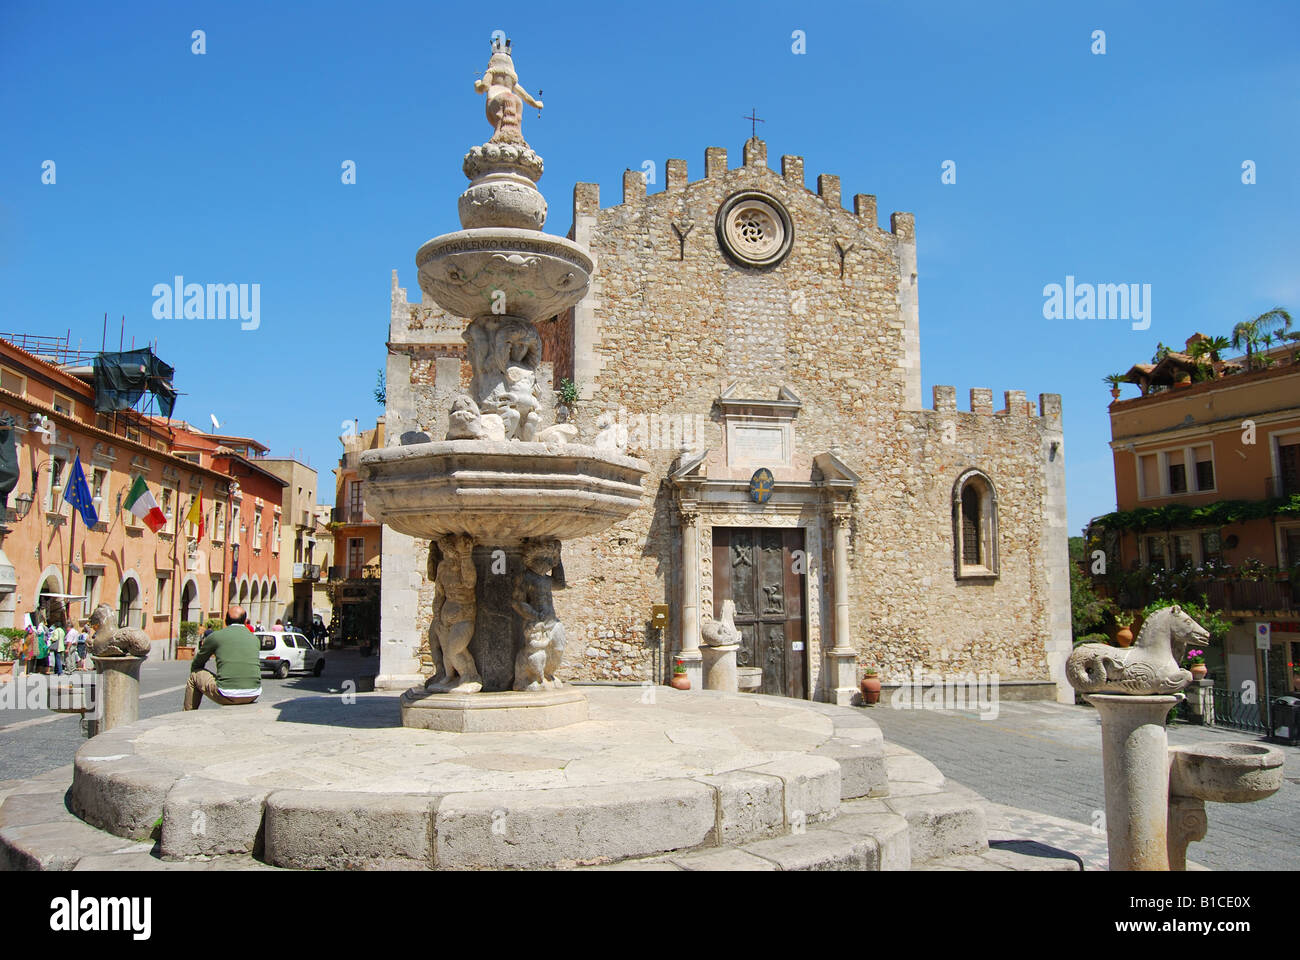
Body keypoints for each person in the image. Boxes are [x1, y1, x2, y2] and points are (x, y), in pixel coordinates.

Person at [183, 604, 262, 711]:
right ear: (245, 622)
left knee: (194, 676)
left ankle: (188, 715)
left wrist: (196, 671)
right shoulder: (254, 639)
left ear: (226, 621)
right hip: (254, 692)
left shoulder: (216, 636)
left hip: (227, 694)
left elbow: (199, 661)